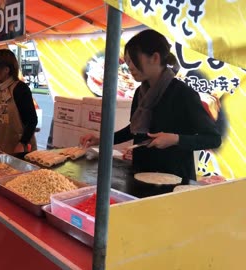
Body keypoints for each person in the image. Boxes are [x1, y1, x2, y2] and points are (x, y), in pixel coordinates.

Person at [80, 29, 221, 181]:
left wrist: (174, 139)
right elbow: (134, 130)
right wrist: (102, 139)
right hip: (141, 173)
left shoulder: (182, 93)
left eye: (133, 60)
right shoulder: (140, 92)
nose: (130, 67)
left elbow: (213, 139)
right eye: (127, 62)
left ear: (154, 58)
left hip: (173, 179)